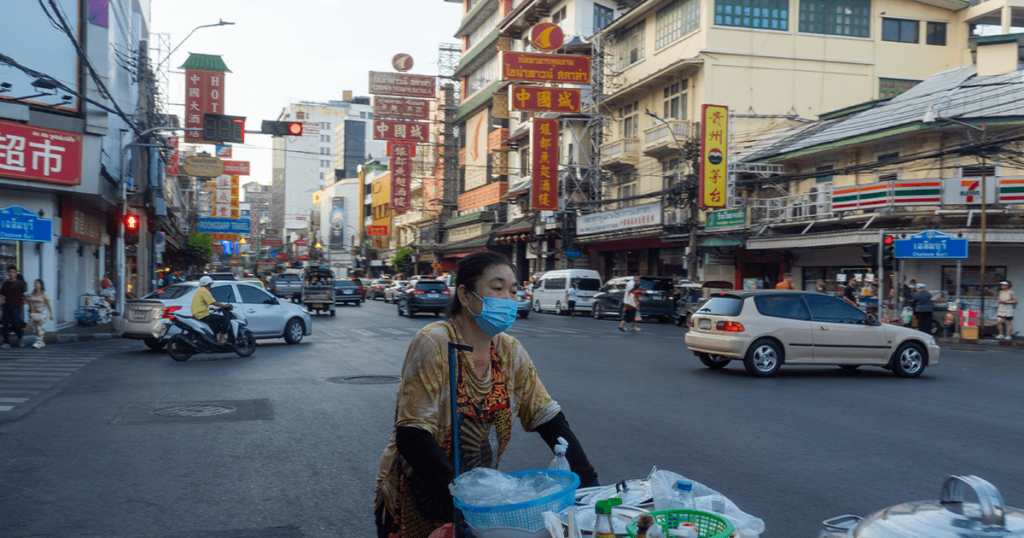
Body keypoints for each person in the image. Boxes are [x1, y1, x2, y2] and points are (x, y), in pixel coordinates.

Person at [374, 252, 599, 538]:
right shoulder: (436, 342)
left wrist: (589, 482)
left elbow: (547, 416)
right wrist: (462, 500)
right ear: (465, 296)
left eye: (513, 290)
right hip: (417, 493)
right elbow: (413, 434)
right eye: (496, 289)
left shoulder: (510, 350)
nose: (507, 298)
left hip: (475, 501)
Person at [191, 276, 233, 344]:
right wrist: (225, 306)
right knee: (225, 319)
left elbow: (200, 305)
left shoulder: (198, 291)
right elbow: (213, 302)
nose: (210, 286)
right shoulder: (204, 291)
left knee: (216, 323)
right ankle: (221, 339)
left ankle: (213, 339)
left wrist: (212, 308)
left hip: (198, 314)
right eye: (210, 284)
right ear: (208, 284)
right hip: (202, 315)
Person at [0, 265, 27, 349]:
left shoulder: (20, 284)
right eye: (10, 272)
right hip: (6, 307)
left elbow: (24, 295)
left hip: (16, 307)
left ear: (15, 273)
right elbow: (1, 295)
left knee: (16, 323)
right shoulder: (5, 284)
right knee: (5, 324)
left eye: (13, 272)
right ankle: (6, 342)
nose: (11, 273)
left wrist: (24, 302)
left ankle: (20, 338)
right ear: (8, 273)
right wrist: (1, 301)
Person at [25, 279, 53, 349]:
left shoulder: (44, 293)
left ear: (41, 285)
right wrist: (30, 313)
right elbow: (31, 304)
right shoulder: (32, 293)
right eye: (34, 283)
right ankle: (41, 342)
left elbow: (48, 304)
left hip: (42, 312)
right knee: (36, 328)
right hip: (34, 312)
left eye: (36, 283)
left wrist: (51, 314)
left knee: (40, 327)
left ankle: (38, 342)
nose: (35, 284)